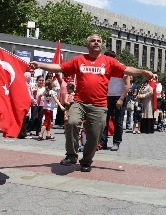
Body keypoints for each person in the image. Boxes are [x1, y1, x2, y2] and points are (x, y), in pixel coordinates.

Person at [29, 34, 153, 172]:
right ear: (88, 45)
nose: (96, 43)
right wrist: (39, 64)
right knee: (71, 122)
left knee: (95, 135)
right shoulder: (79, 60)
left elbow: (126, 70)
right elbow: (59, 68)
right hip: (79, 102)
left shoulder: (108, 61)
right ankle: (71, 155)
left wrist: (142, 72)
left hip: (99, 105)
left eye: (99, 41)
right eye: (93, 41)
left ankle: (86, 160)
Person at [99, 50, 131, 151]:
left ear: (113, 58)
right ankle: (102, 143)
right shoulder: (105, 67)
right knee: (104, 121)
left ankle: (116, 142)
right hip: (107, 97)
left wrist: (121, 99)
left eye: (107, 58)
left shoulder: (122, 67)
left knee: (118, 121)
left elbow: (127, 86)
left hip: (119, 97)